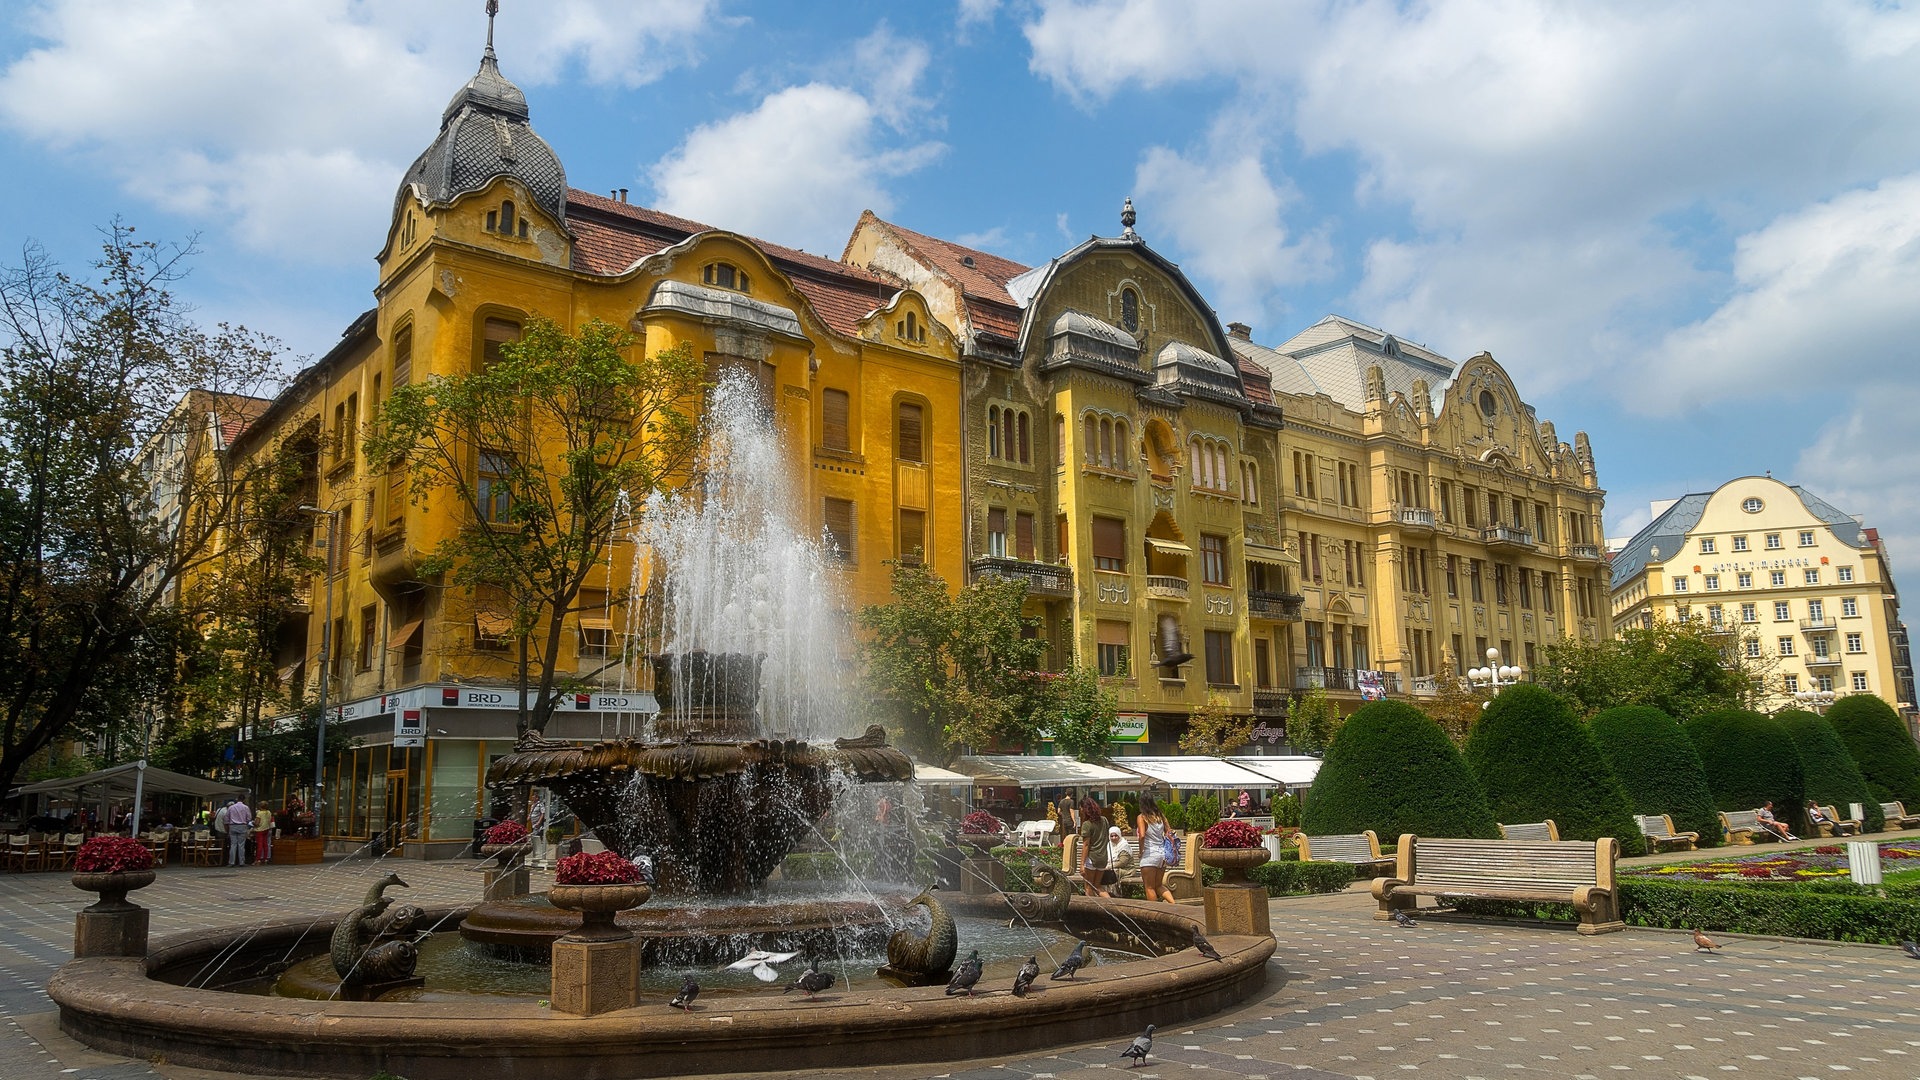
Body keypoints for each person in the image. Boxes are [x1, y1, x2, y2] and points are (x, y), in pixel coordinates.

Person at [1136, 793, 1175, 903]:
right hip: (1162, 855)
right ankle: (1174, 904)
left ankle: (1154, 913)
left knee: (1149, 887)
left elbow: (1142, 835)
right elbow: (1169, 832)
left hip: (1149, 855)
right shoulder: (1160, 816)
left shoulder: (1142, 817)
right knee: (1158, 885)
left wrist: (1140, 851)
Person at [1077, 796, 1112, 898]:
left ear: (1085, 809)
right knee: (1097, 886)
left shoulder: (1087, 824)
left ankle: (1091, 911)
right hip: (1103, 858)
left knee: (1088, 886)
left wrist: (1082, 864)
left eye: (1081, 808)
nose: (1080, 810)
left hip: (1092, 858)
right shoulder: (1104, 820)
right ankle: (1111, 905)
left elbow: (1086, 845)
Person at [224, 796, 253, 866]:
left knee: (233, 844)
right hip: (242, 826)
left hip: (232, 826)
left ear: (237, 799)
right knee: (241, 845)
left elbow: (226, 818)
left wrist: (227, 827)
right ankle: (241, 862)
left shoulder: (231, 807)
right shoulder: (246, 807)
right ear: (244, 800)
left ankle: (231, 862)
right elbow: (249, 818)